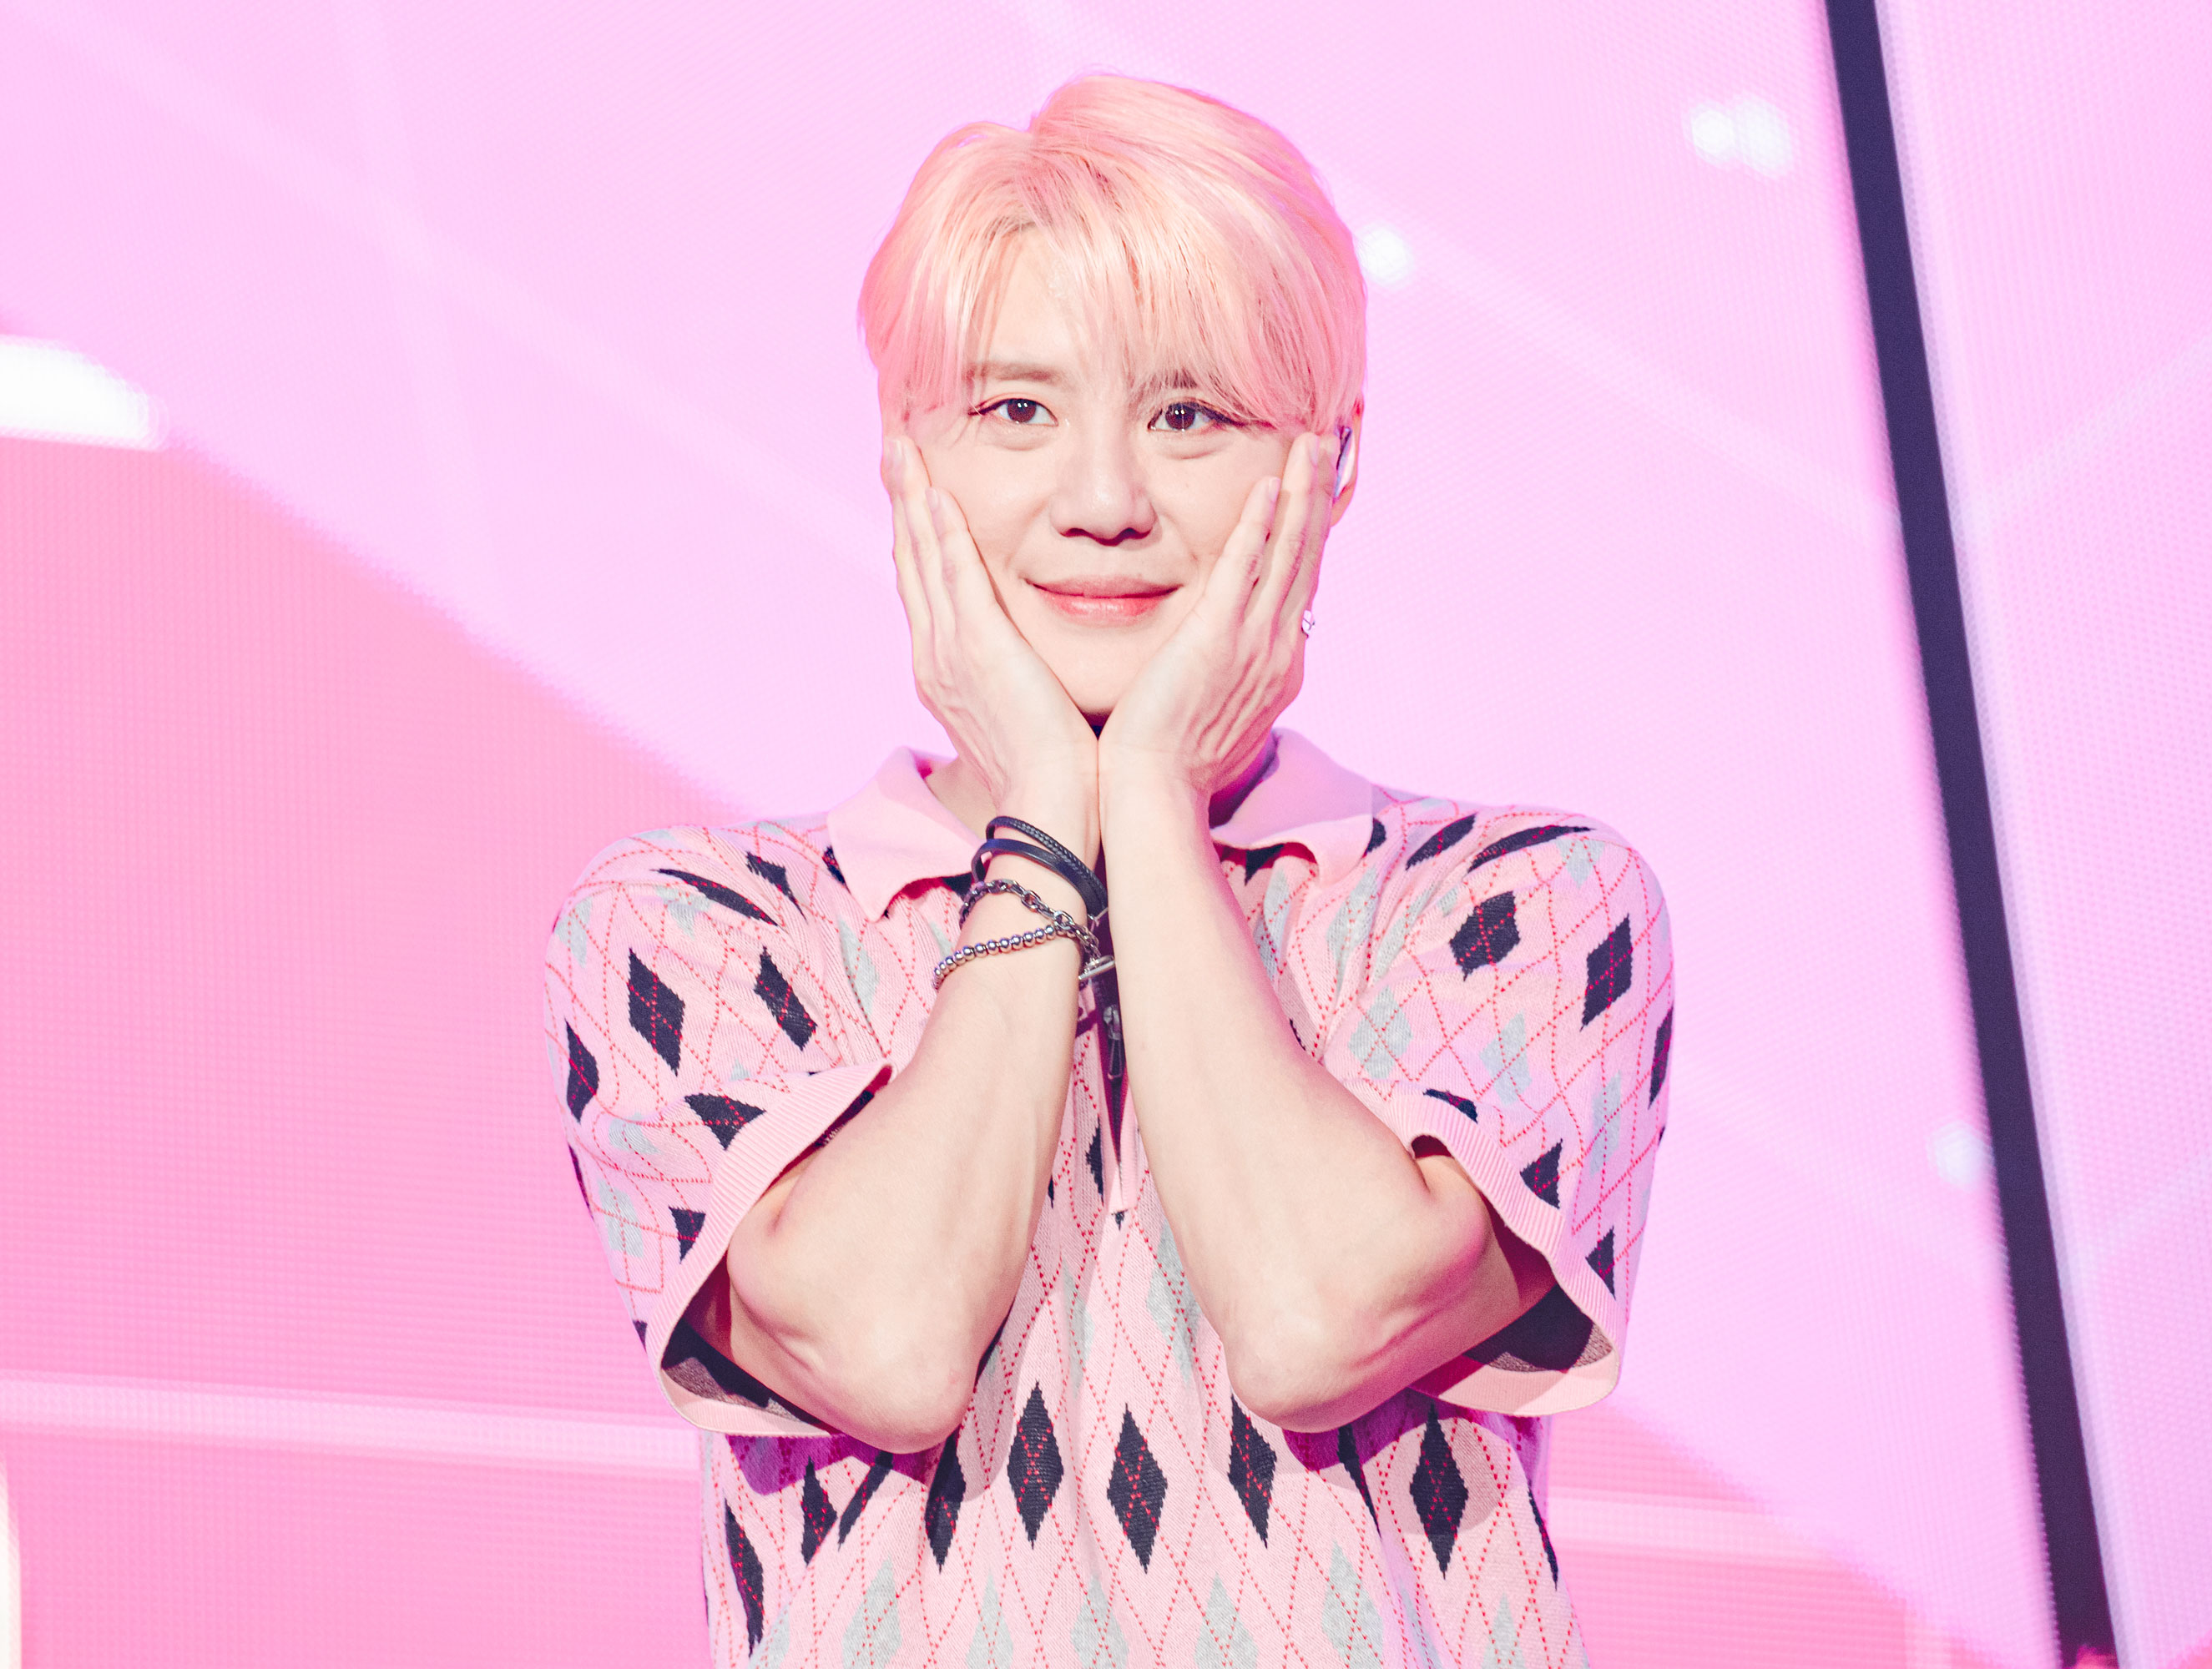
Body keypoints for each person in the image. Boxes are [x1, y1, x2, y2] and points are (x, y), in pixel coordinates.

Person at [543, 74, 1673, 1668]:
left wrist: (1143, 793)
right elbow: (887, 1343)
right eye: (1016, 413)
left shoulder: (1521, 911)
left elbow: (1313, 1318)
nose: (1102, 505)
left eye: (1189, 416)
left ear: (1335, 459)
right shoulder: (698, 932)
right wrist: (1044, 821)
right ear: (905, 456)